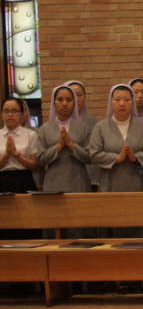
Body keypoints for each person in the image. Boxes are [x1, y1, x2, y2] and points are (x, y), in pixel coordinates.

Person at [88, 84, 143, 294]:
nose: (122, 103)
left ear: (132, 102)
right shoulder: (101, 127)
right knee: (116, 232)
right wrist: (115, 159)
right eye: (117, 99)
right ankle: (120, 278)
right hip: (111, 185)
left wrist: (135, 157)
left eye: (126, 99)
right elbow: (93, 154)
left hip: (137, 185)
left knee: (137, 231)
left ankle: (139, 277)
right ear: (111, 102)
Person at [35, 84, 92, 194]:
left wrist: (71, 144)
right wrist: (59, 146)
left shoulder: (83, 128)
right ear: (54, 102)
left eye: (69, 100)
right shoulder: (44, 129)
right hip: (53, 182)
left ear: (74, 102)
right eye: (60, 99)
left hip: (78, 181)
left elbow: (89, 158)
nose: (64, 103)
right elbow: (40, 160)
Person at [0, 97, 41, 241]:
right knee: (5, 223)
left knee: (26, 223)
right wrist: (7, 153)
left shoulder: (30, 134)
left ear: (22, 114)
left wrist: (16, 154)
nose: (10, 114)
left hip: (24, 180)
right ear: (1, 114)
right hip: (2, 181)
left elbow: (35, 166)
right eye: (6, 111)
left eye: (14, 111)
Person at [67, 80, 101, 188]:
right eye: (73, 96)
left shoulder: (94, 122)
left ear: (85, 97)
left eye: (79, 95)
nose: (77, 99)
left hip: (90, 171)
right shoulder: (58, 123)